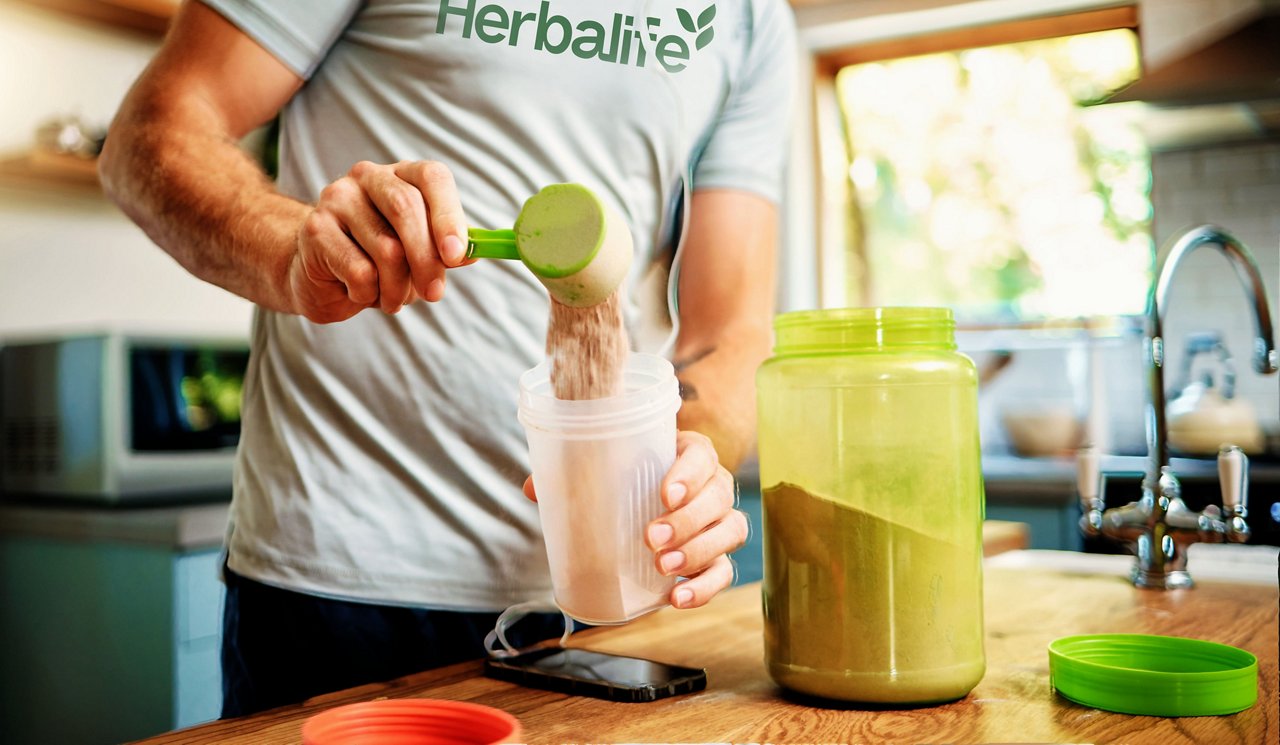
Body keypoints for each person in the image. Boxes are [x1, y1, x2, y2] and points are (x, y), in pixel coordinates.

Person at [100, 0, 796, 718]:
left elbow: (733, 331)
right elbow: (150, 135)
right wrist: (295, 248)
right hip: (338, 580)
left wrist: (688, 469)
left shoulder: (750, 18)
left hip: (599, 606)